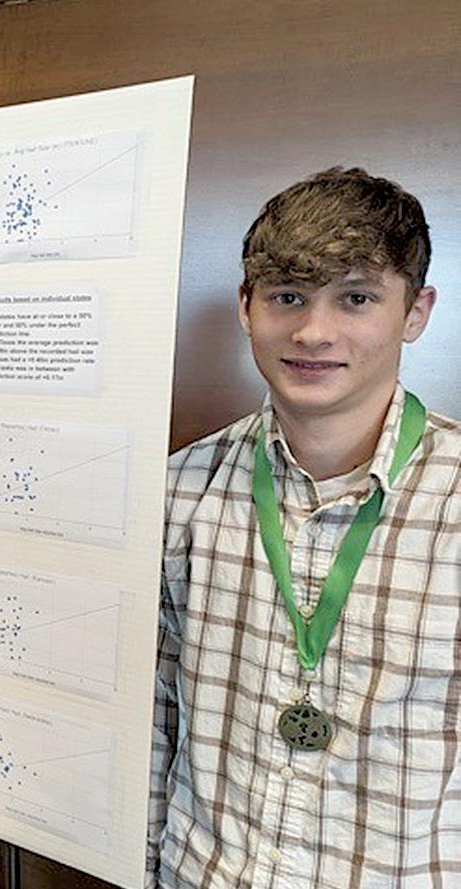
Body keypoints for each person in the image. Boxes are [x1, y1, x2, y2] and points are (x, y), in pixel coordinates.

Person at [148, 167, 459, 888]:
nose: (314, 332)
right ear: (246, 307)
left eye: (356, 298)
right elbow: (151, 726)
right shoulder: (178, 491)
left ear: (415, 312)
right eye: (288, 295)